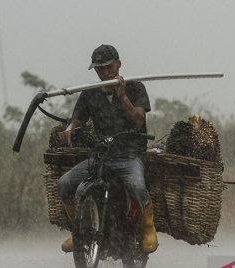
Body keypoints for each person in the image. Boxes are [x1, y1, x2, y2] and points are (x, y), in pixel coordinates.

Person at [57, 44, 158, 254]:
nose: (104, 73)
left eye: (108, 67)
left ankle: (148, 228)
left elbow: (138, 121)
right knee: (65, 183)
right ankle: (79, 231)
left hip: (129, 155)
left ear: (118, 65)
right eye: (99, 69)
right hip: (101, 156)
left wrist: (122, 97)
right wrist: (69, 129)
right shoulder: (89, 94)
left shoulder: (135, 87)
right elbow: (77, 121)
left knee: (138, 186)